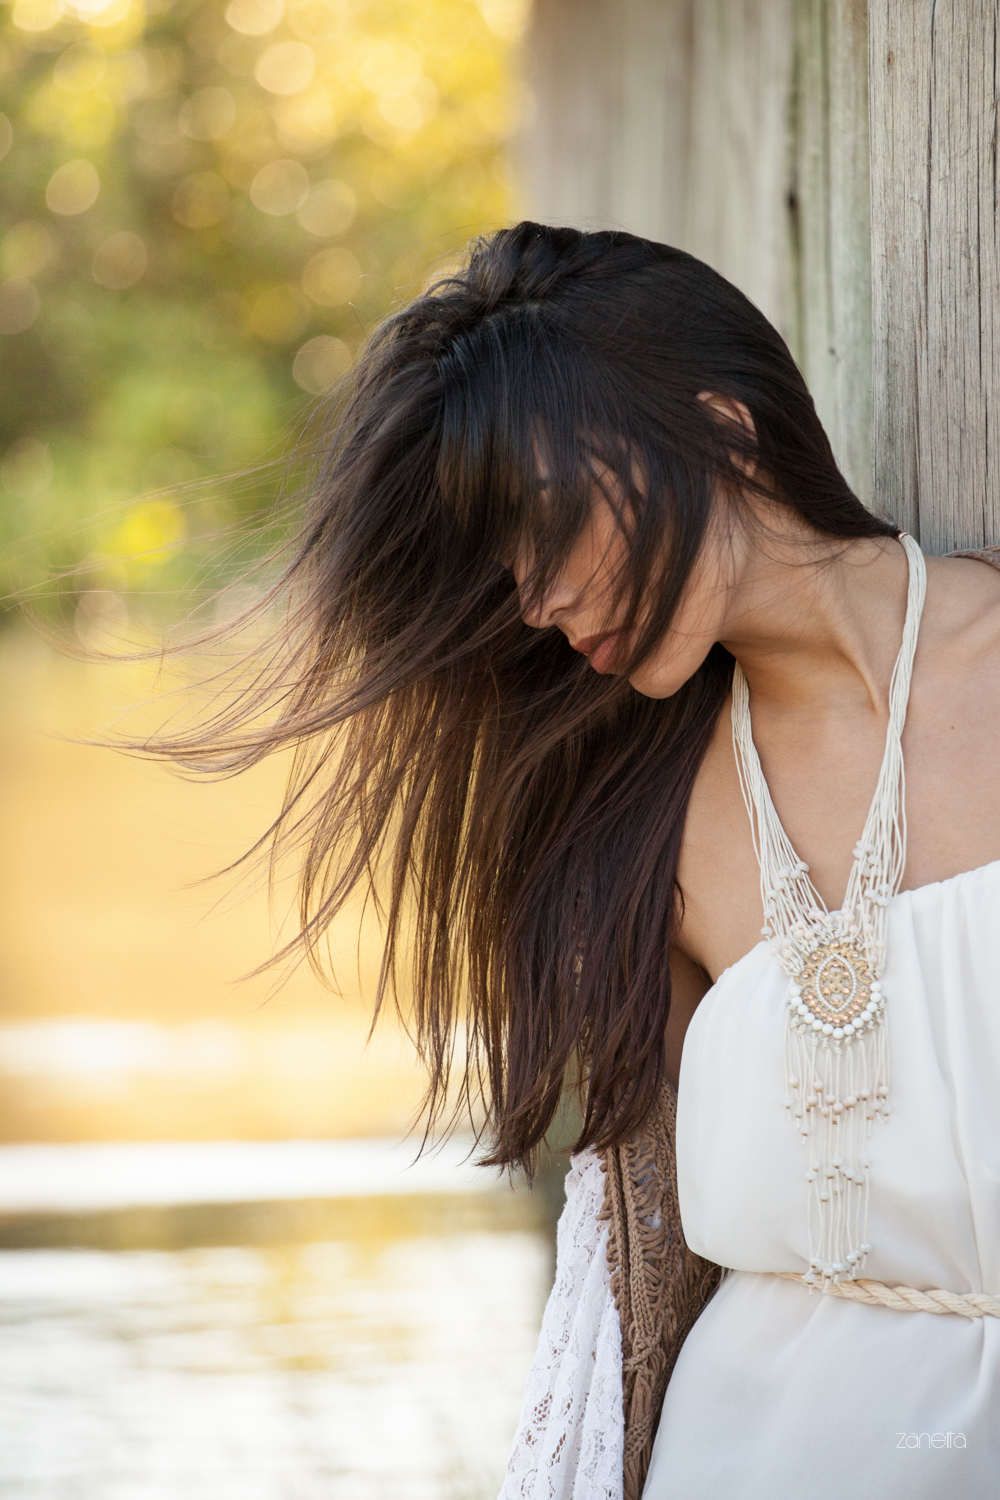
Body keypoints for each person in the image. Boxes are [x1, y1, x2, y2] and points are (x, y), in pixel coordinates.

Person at [154, 223, 1000, 1496]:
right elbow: (629, 1281)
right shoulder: (632, 828)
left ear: (721, 431)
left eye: (548, 520)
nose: (535, 597)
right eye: (504, 560)